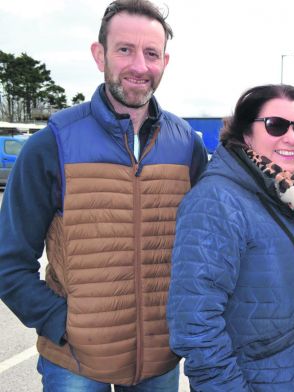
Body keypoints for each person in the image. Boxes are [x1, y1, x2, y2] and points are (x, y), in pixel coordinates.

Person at [0, 0, 208, 390]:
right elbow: (8, 259)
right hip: (76, 362)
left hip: (161, 358)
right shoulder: (53, 144)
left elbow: (214, 240)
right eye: (124, 50)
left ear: (165, 61)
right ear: (100, 55)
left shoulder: (187, 146)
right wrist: (59, 322)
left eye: (151, 54)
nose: (139, 66)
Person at [167, 84, 294, 391]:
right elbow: (195, 323)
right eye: (276, 125)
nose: (291, 137)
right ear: (245, 133)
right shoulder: (217, 201)